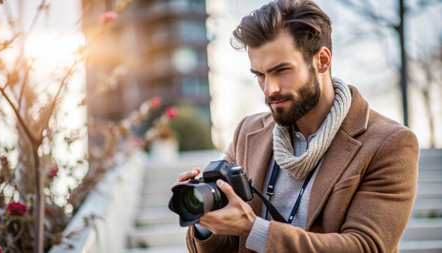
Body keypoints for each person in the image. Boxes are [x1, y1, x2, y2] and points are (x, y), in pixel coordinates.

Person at [176, 0, 419, 252]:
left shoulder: (389, 143)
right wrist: (207, 220)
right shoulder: (247, 133)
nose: (269, 89)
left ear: (322, 60)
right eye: (259, 75)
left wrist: (253, 229)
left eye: (282, 70)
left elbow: (366, 247)